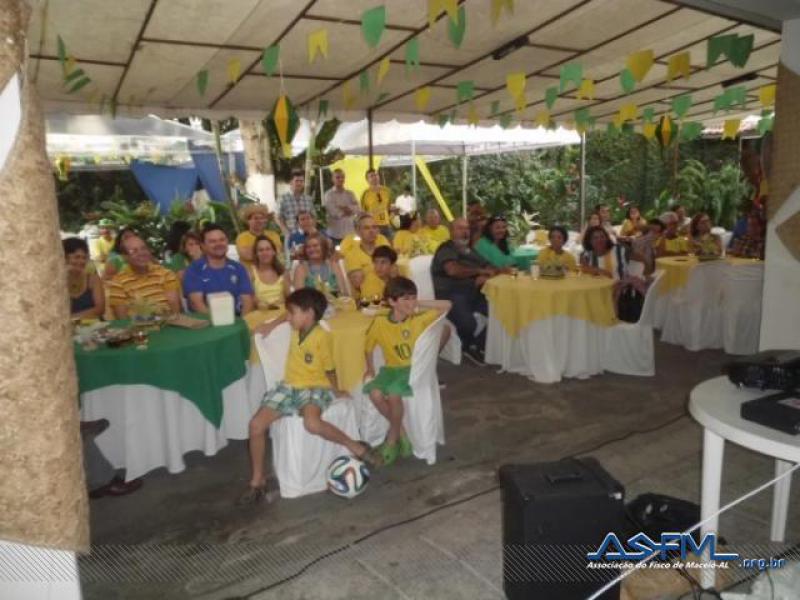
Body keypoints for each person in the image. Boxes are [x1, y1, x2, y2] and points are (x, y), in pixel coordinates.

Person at [241, 288, 382, 503]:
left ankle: (355, 445)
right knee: (255, 425)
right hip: (288, 387)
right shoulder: (296, 326)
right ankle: (257, 481)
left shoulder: (321, 337)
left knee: (312, 424)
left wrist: (336, 390)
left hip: (315, 387)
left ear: (308, 313)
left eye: (292, 313)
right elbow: (285, 314)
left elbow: (330, 369)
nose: (288, 317)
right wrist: (271, 324)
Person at [363, 277, 451, 465]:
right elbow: (368, 347)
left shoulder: (419, 320)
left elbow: (447, 305)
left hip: (412, 370)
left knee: (394, 394)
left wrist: (419, 303)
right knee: (375, 393)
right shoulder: (379, 323)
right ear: (392, 301)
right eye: (406, 299)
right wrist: (370, 368)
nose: (411, 303)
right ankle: (402, 432)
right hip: (391, 369)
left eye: (413, 297)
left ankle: (392, 439)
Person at [431, 217, 501, 365]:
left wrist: (492, 273)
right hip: (450, 294)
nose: (465, 232)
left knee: (499, 312)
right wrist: (479, 272)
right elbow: (452, 270)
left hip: (473, 292)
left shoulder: (470, 250)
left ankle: (477, 345)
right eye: (460, 228)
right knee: (468, 324)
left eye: (467, 228)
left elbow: (489, 267)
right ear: (451, 232)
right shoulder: (446, 249)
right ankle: (469, 346)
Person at [183, 224, 255, 315]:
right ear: (203, 246)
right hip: (206, 321)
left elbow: (247, 301)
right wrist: (220, 321)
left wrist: (241, 322)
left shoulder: (238, 268)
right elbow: (196, 304)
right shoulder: (194, 269)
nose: (219, 244)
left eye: (222, 240)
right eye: (212, 241)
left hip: (237, 319)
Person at [108, 236, 182, 319]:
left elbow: (174, 308)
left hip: (167, 322)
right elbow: (122, 318)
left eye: (144, 248)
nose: (141, 253)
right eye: (134, 251)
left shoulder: (166, 274)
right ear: (125, 257)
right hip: (137, 326)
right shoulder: (117, 282)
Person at [342, 214, 392, 293]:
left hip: (390, 292)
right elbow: (357, 283)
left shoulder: (382, 241)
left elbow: (393, 270)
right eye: (366, 228)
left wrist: (367, 271)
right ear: (358, 231)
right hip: (367, 297)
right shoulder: (352, 254)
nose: (371, 231)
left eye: (374, 227)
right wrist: (382, 269)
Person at [293, 232, 348, 297]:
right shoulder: (301, 269)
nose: (312, 249)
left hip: (335, 301)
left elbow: (343, 292)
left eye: (315, 246)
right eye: (308, 247)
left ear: (323, 247)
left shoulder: (334, 265)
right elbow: (299, 296)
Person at [63, 237, 105, 319]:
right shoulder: (58, 282)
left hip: (93, 324)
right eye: (77, 257)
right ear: (65, 258)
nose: (81, 261)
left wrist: (72, 318)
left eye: (84, 258)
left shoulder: (93, 279)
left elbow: (100, 309)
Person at [236, 204, 282, 269]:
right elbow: (247, 256)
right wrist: (268, 252)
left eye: (262, 218)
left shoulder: (274, 235)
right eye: (256, 218)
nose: (259, 221)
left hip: (271, 272)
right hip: (249, 273)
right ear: (248, 221)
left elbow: (277, 253)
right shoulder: (242, 237)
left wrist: (254, 251)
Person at [250, 235, 289, 310]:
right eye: (261, 250)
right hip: (260, 313)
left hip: (281, 312)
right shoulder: (251, 273)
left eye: (268, 249)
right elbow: (250, 298)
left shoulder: (283, 272)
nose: (265, 253)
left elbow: (289, 297)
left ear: (273, 252)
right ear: (256, 254)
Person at [323, 168, 359, 245]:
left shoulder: (350, 193)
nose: (340, 179)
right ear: (332, 179)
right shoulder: (328, 195)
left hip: (350, 234)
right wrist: (350, 209)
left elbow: (358, 209)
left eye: (342, 177)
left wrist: (342, 207)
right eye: (337, 177)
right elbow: (335, 213)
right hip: (335, 235)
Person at [278, 169, 315, 235]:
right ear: (291, 182)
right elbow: (278, 218)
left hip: (307, 236)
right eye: (297, 181)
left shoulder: (308, 199)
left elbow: (314, 217)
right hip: (291, 235)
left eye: (301, 181)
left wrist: (312, 231)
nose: (299, 183)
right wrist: (286, 233)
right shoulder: (283, 199)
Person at [361, 168, 393, 240]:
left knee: (389, 244)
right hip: (373, 226)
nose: (375, 177)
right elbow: (363, 212)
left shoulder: (386, 191)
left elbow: (389, 207)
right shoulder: (365, 194)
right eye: (371, 176)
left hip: (386, 224)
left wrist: (390, 218)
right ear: (367, 180)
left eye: (376, 175)